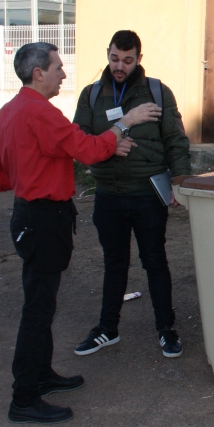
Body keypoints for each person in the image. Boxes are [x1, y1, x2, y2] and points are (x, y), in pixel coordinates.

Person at [0, 42, 161, 425]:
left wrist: (21, 182)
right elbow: (89, 150)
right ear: (38, 73)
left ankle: (41, 377)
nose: (64, 73)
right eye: (58, 67)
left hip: (32, 215)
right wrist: (124, 123)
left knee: (40, 303)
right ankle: (24, 398)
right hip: (44, 218)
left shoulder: (12, 110)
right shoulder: (40, 113)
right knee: (38, 310)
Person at [72, 30, 191, 359]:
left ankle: (166, 329)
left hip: (147, 193)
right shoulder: (92, 95)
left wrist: (180, 179)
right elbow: (78, 140)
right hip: (108, 194)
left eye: (127, 60)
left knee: (155, 262)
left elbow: (176, 140)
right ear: (106, 54)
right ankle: (107, 329)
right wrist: (108, 149)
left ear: (139, 58)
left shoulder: (157, 92)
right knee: (114, 264)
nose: (119, 66)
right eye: (113, 59)